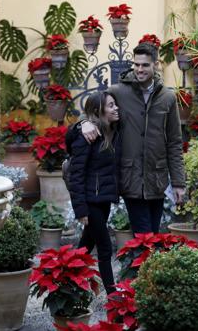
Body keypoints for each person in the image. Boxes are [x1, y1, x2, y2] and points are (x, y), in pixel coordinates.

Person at [81, 42, 186, 234]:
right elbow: (92, 108)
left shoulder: (167, 98)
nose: (139, 69)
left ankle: (143, 265)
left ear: (155, 64)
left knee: (153, 234)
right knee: (144, 234)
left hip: (157, 177)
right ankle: (143, 264)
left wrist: (178, 183)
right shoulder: (119, 91)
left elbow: (174, 142)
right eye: (136, 64)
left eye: (145, 65)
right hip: (131, 177)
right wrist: (84, 123)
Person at [67, 91, 120, 295]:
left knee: (84, 248)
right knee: (105, 248)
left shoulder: (112, 131)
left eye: (115, 104)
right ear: (99, 111)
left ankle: (64, 283)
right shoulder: (86, 136)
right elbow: (76, 174)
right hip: (90, 202)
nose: (116, 108)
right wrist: (80, 209)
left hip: (103, 200)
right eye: (111, 105)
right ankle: (114, 298)